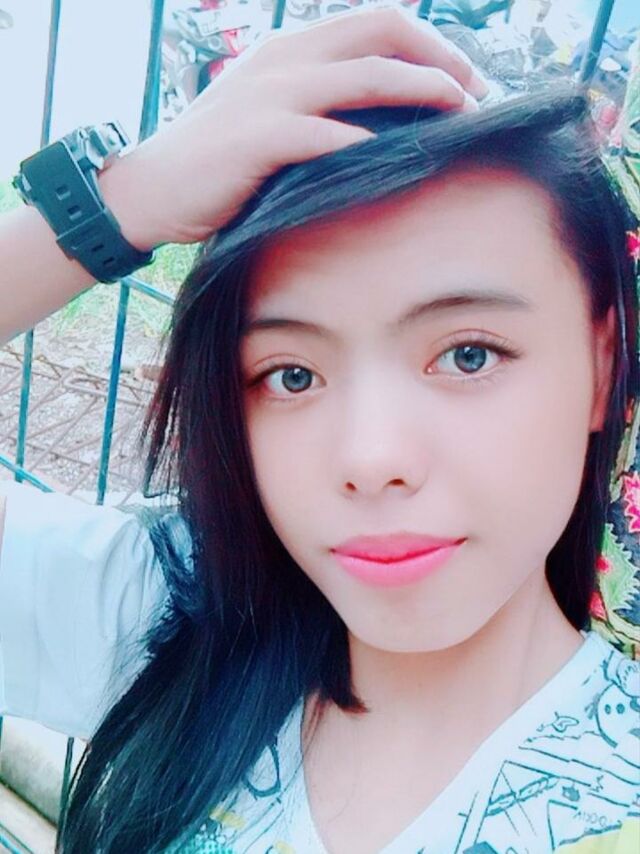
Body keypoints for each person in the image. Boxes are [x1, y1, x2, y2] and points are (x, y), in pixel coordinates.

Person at [0, 6, 638, 853]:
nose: (371, 460)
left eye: (469, 355)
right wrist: (122, 201)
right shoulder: (167, 621)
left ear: (603, 366)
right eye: (291, 375)